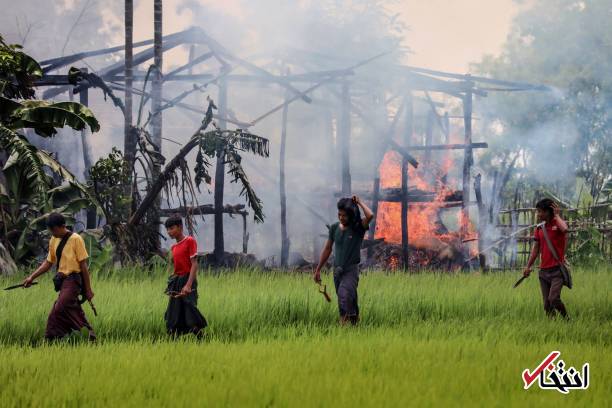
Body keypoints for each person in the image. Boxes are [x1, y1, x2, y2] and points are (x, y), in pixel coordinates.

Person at [23, 213, 96, 341]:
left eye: (54, 229)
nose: (52, 232)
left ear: (62, 226)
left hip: (73, 280)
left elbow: (84, 267)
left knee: (60, 307)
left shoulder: (76, 239)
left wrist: (88, 290)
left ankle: (55, 336)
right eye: (50, 230)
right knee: (65, 309)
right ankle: (84, 335)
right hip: (62, 282)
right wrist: (31, 277)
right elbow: (48, 263)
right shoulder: (53, 239)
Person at [314, 196, 374, 325]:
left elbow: (370, 216)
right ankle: (354, 325)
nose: (341, 217)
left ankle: (342, 326)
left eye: (344, 215)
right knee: (348, 300)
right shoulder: (334, 228)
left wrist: (360, 202)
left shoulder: (358, 227)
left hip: (351, 271)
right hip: (337, 271)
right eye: (339, 214)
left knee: (344, 295)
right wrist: (318, 269)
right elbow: (328, 248)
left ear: (351, 216)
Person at [523, 198, 570, 319]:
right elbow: (535, 250)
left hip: (557, 271)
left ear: (548, 211)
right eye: (537, 211)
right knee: (546, 305)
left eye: (540, 211)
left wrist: (557, 215)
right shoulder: (539, 229)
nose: (538, 214)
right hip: (543, 272)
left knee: (553, 298)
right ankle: (552, 326)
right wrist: (528, 266)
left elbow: (565, 229)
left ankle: (567, 320)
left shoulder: (558, 225)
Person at [164, 215, 207, 337]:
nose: (169, 232)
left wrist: (188, 285)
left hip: (188, 280)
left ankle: (204, 341)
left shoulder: (190, 241)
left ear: (180, 227)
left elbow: (194, 264)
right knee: (174, 315)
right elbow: (177, 268)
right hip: (177, 281)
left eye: (171, 228)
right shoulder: (174, 247)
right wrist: (171, 282)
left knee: (190, 315)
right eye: (167, 229)